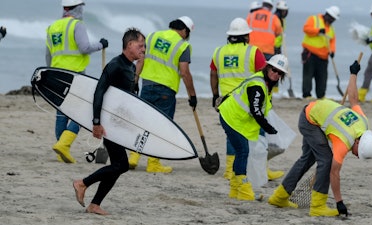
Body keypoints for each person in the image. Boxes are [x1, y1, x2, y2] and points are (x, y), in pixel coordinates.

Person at [268, 60, 372, 217]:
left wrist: (353, 74)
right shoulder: (344, 142)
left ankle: (279, 197)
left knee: (307, 159)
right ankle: (318, 206)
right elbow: (334, 173)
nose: (356, 155)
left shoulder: (363, 122)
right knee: (326, 161)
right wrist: (339, 202)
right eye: (357, 152)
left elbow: (353, 99)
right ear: (357, 141)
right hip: (309, 120)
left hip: (319, 114)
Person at [73, 27, 146, 215]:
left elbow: (127, 98)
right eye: (140, 45)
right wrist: (96, 122)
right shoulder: (115, 65)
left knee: (118, 165)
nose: (143, 49)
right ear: (129, 45)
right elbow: (99, 92)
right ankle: (82, 183)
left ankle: (94, 204)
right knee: (121, 165)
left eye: (144, 46)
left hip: (119, 123)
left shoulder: (130, 66)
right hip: (108, 124)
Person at [128, 16, 197, 173]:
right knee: (161, 126)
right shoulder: (183, 45)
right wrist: (192, 95)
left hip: (147, 85)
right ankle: (153, 163)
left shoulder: (152, 36)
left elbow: (140, 60)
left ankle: (134, 157)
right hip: (166, 89)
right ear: (184, 31)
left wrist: (135, 80)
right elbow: (185, 73)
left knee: (143, 121)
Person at [218, 54, 288, 201]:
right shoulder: (258, 85)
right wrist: (268, 128)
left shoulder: (266, 84)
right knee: (243, 151)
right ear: (268, 67)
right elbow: (256, 110)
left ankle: (235, 189)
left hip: (237, 119)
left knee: (242, 151)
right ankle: (243, 190)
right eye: (274, 70)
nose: (275, 74)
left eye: (280, 73)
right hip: (231, 117)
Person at [46, 0, 108, 163]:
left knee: (62, 112)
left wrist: (51, 73)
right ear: (78, 8)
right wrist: (101, 45)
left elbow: (48, 54)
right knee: (83, 111)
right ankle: (64, 145)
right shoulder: (77, 24)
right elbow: (84, 47)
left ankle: (61, 150)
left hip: (56, 74)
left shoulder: (53, 27)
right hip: (75, 76)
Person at [209, 17, 266, 180]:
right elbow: (264, 76)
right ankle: (258, 168)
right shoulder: (253, 52)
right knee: (258, 133)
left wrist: (215, 95)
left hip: (227, 102)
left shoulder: (219, 52)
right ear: (246, 36)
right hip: (247, 101)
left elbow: (213, 74)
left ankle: (229, 170)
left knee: (232, 135)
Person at [301, 6, 340, 99]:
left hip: (323, 56)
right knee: (308, 75)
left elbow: (332, 41)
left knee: (322, 77)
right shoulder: (314, 19)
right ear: (327, 14)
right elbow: (306, 29)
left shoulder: (331, 28)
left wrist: (333, 51)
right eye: (331, 18)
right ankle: (307, 95)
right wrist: (318, 31)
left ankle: (321, 96)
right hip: (310, 53)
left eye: (333, 19)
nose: (331, 20)